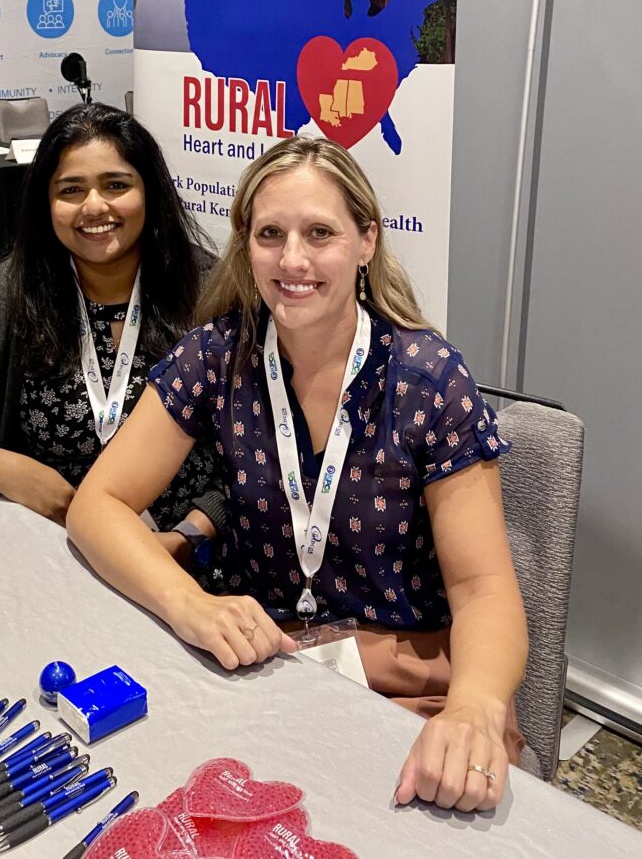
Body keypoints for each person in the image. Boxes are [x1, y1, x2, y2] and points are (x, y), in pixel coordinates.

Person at [67, 136, 528, 814]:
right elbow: (96, 504)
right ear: (244, 243)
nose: (292, 260)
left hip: (408, 678)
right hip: (265, 665)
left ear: (367, 240)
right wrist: (189, 603)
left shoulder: (429, 378)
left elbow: (484, 586)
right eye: (270, 234)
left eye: (320, 233)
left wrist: (478, 707)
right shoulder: (217, 354)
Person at [0, 103, 221, 548]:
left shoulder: (212, 293)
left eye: (116, 185)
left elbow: (268, 446)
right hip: (52, 551)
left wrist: (192, 537)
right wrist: (11, 472)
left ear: (150, 192)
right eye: (70, 189)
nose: (94, 206)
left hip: (187, 557)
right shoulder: (10, 292)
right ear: (45, 202)